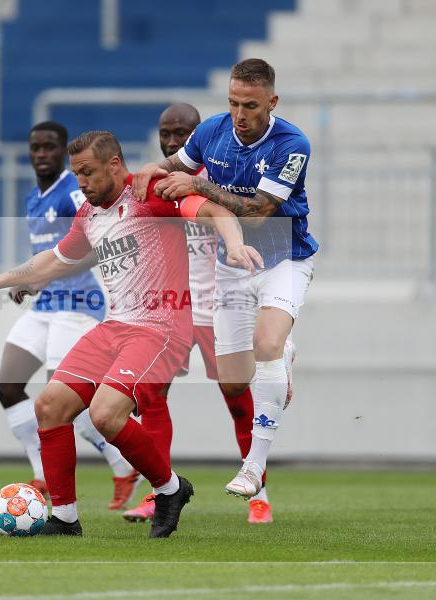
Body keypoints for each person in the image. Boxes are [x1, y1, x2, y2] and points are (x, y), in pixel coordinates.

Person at [0, 130, 263, 538]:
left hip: (161, 327)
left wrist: (235, 243)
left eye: (87, 173)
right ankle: (65, 518)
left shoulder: (152, 191)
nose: (81, 183)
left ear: (114, 165)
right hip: (116, 326)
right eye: (76, 174)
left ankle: (170, 489)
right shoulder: (89, 214)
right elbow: (56, 260)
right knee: (49, 406)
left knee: (104, 414)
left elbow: (214, 212)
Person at [133, 58, 317, 499]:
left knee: (266, 345)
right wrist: (145, 171)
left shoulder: (292, 144)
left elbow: (257, 212)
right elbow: (174, 162)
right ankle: (282, 356)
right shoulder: (212, 130)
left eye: (250, 105)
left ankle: (254, 469)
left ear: (271, 102)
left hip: (284, 257)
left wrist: (198, 187)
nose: (240, 114)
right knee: (235, 381)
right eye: (233, 103)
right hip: (231, 267)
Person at [0, 121, 140, 509]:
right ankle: (40, 470)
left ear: (62, 153)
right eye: (35, 147)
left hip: (76, 306)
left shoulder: (73, 193)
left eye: (49, 147)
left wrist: (49, 273)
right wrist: (32, 280)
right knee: (7, 386)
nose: (41, 154)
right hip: (45, 306)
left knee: (65, 401)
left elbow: (93, 246)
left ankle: (122, 462)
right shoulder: (32, 199)